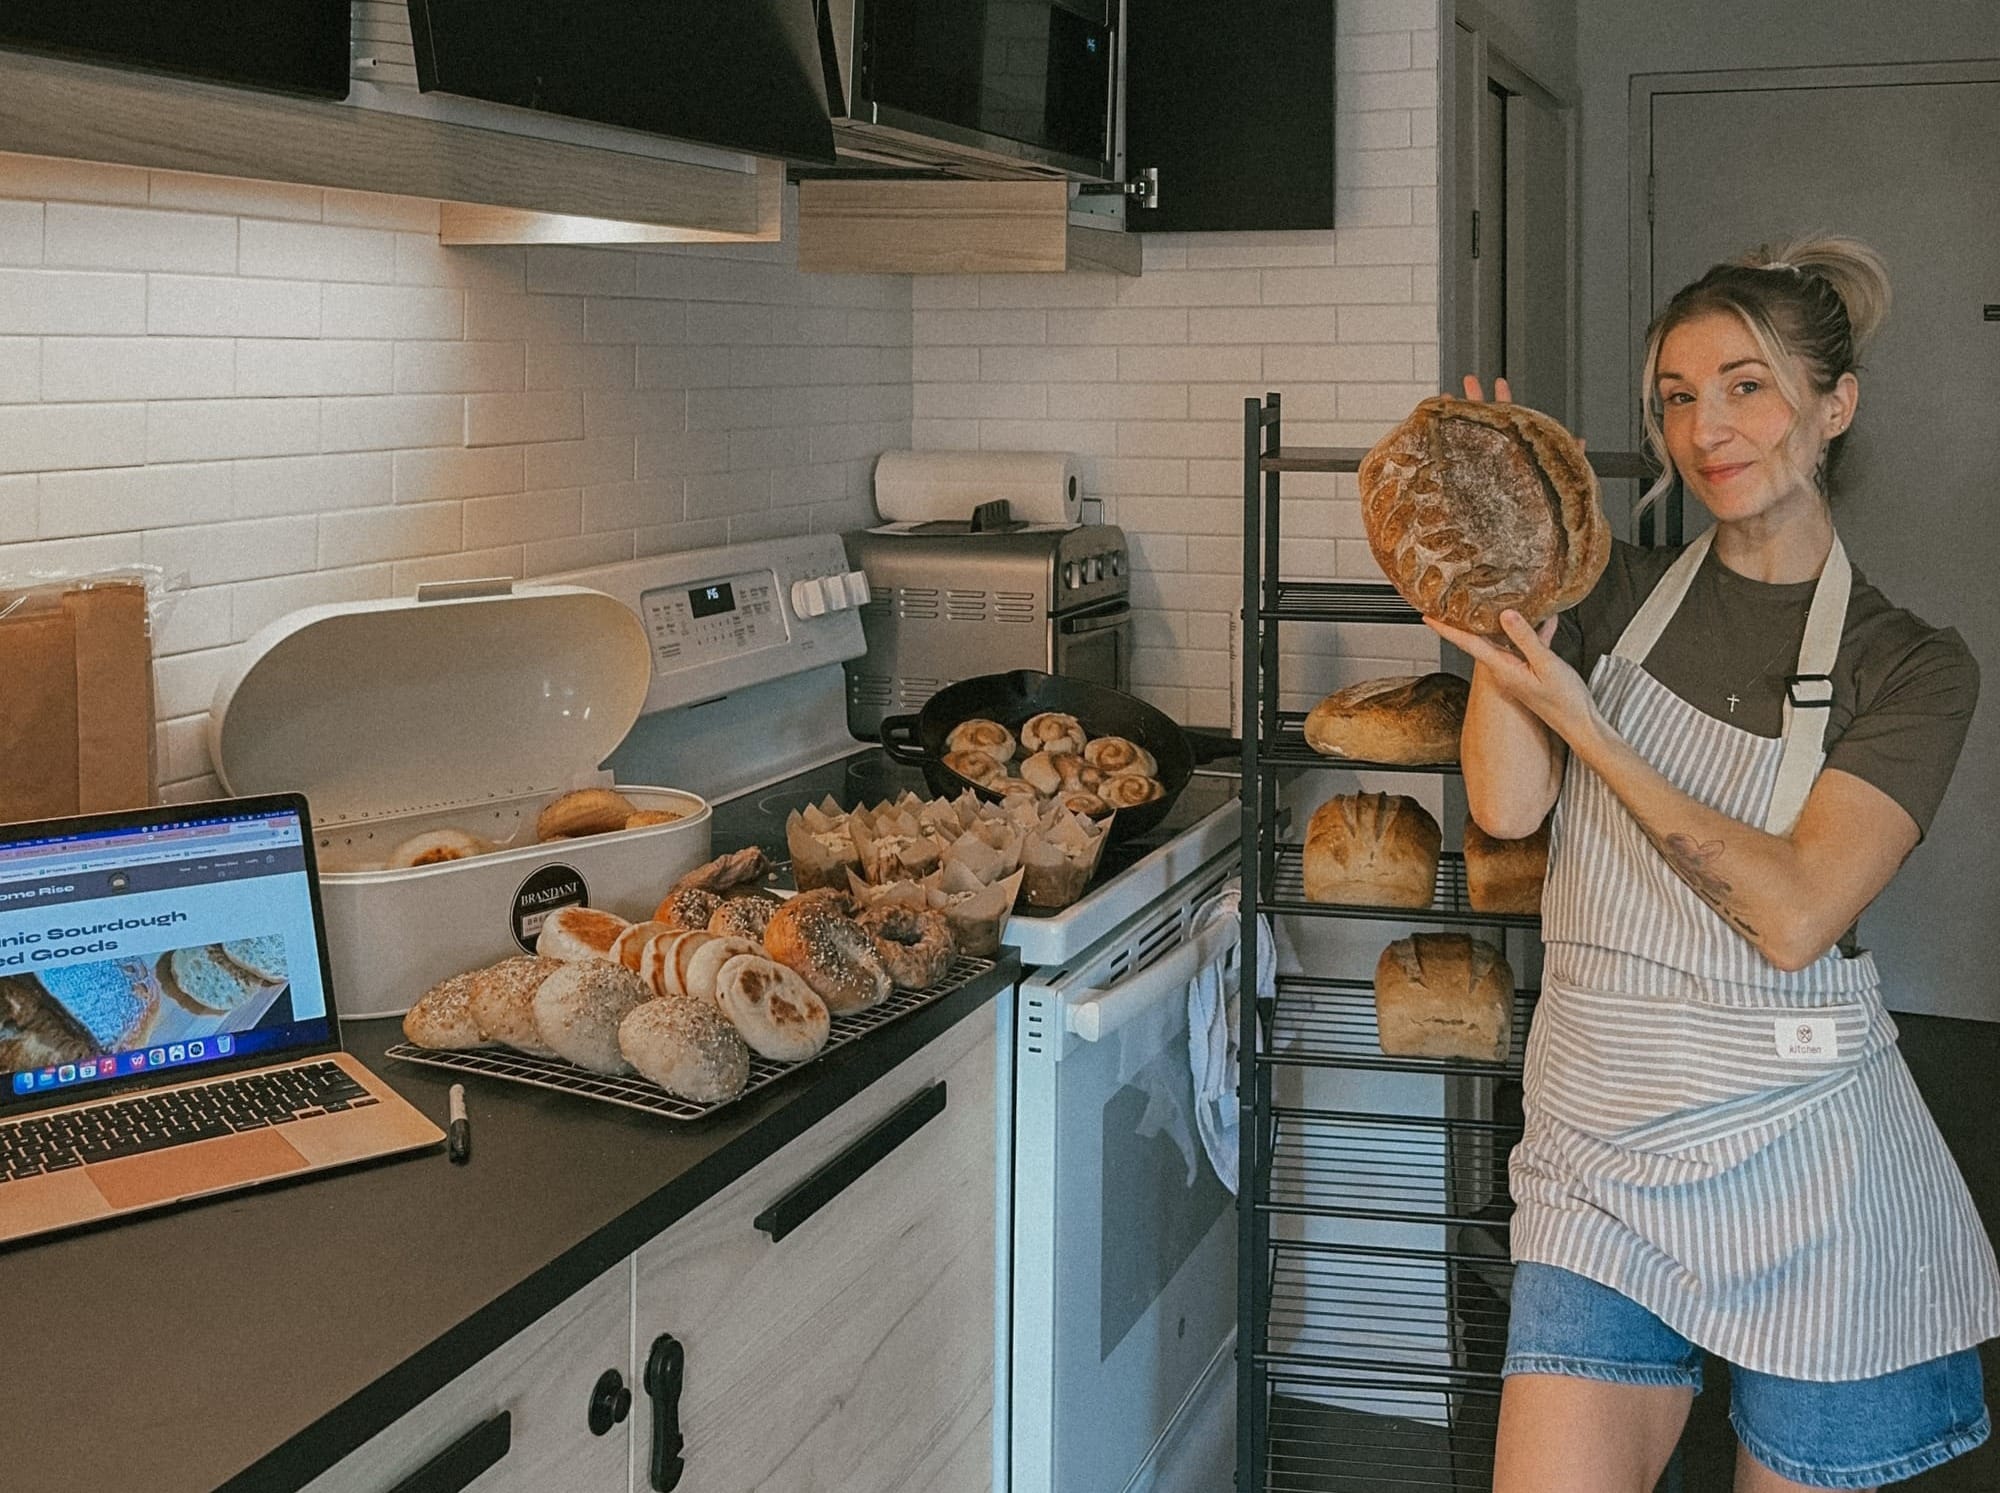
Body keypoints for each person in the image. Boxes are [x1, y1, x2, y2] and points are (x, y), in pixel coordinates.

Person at [1435, 236, 1999, 1493]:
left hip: (1802, 1153)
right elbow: (1508, 803)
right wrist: (1502, 583)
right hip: (1597, 1138)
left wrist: (1592, 725)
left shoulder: (1908, 664)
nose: (1705, 427)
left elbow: (1793, 911)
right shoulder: (1604, 591)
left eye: (1745, 384)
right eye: (1676, 395)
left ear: (1832, 404)